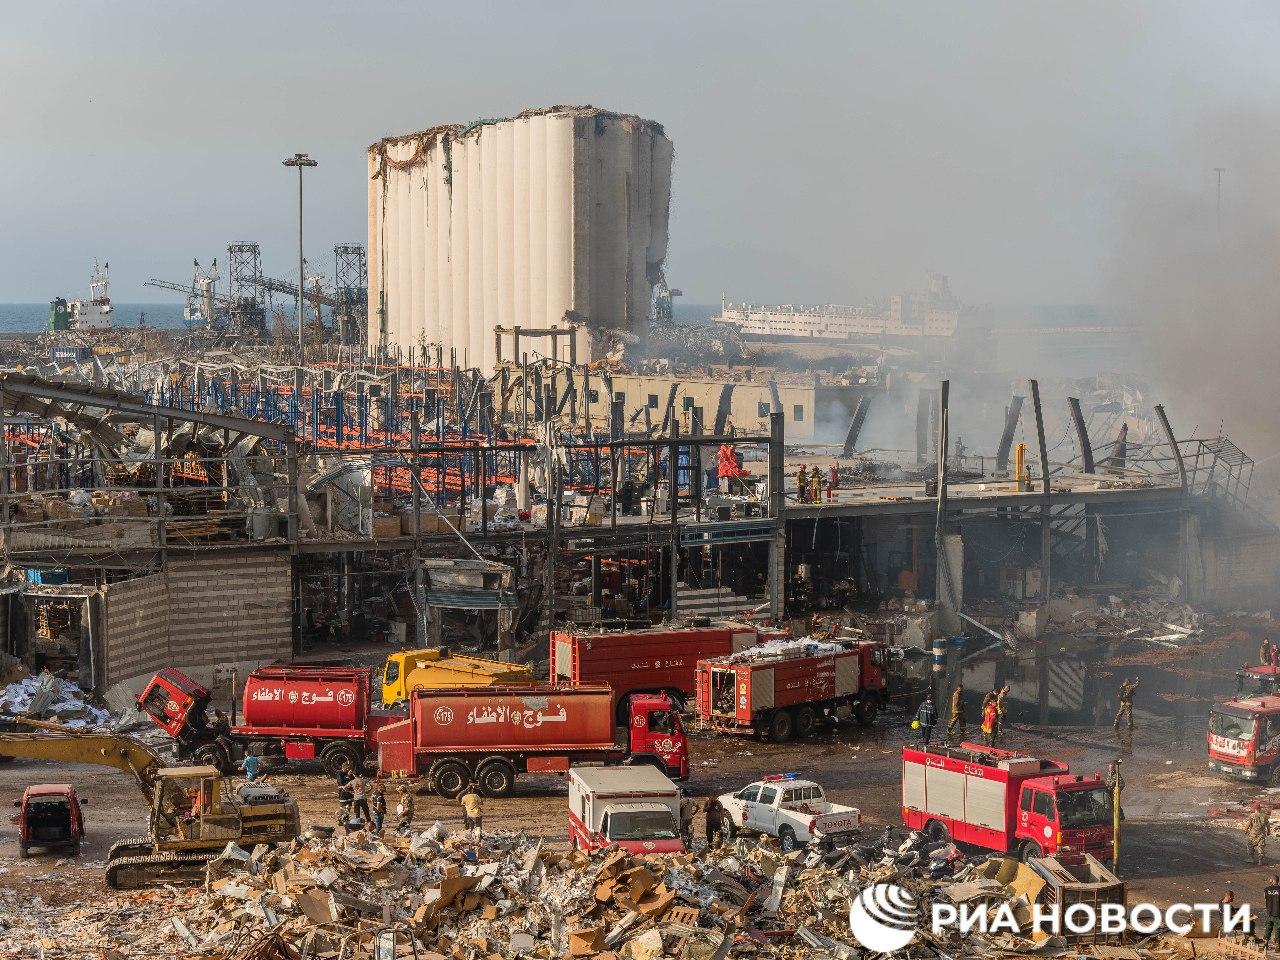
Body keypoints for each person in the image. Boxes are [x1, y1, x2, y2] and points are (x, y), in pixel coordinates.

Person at [1262, 876, 1280, 947]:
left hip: (1269, 912)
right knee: (1278, 929)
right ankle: (1277, 946)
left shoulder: (1266, 889)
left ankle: (1265, 944)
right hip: (1278, 913)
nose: (1269, 880)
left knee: (1268, 928)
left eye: (1270, 879)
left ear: (1272, 880)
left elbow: (1265, 899)